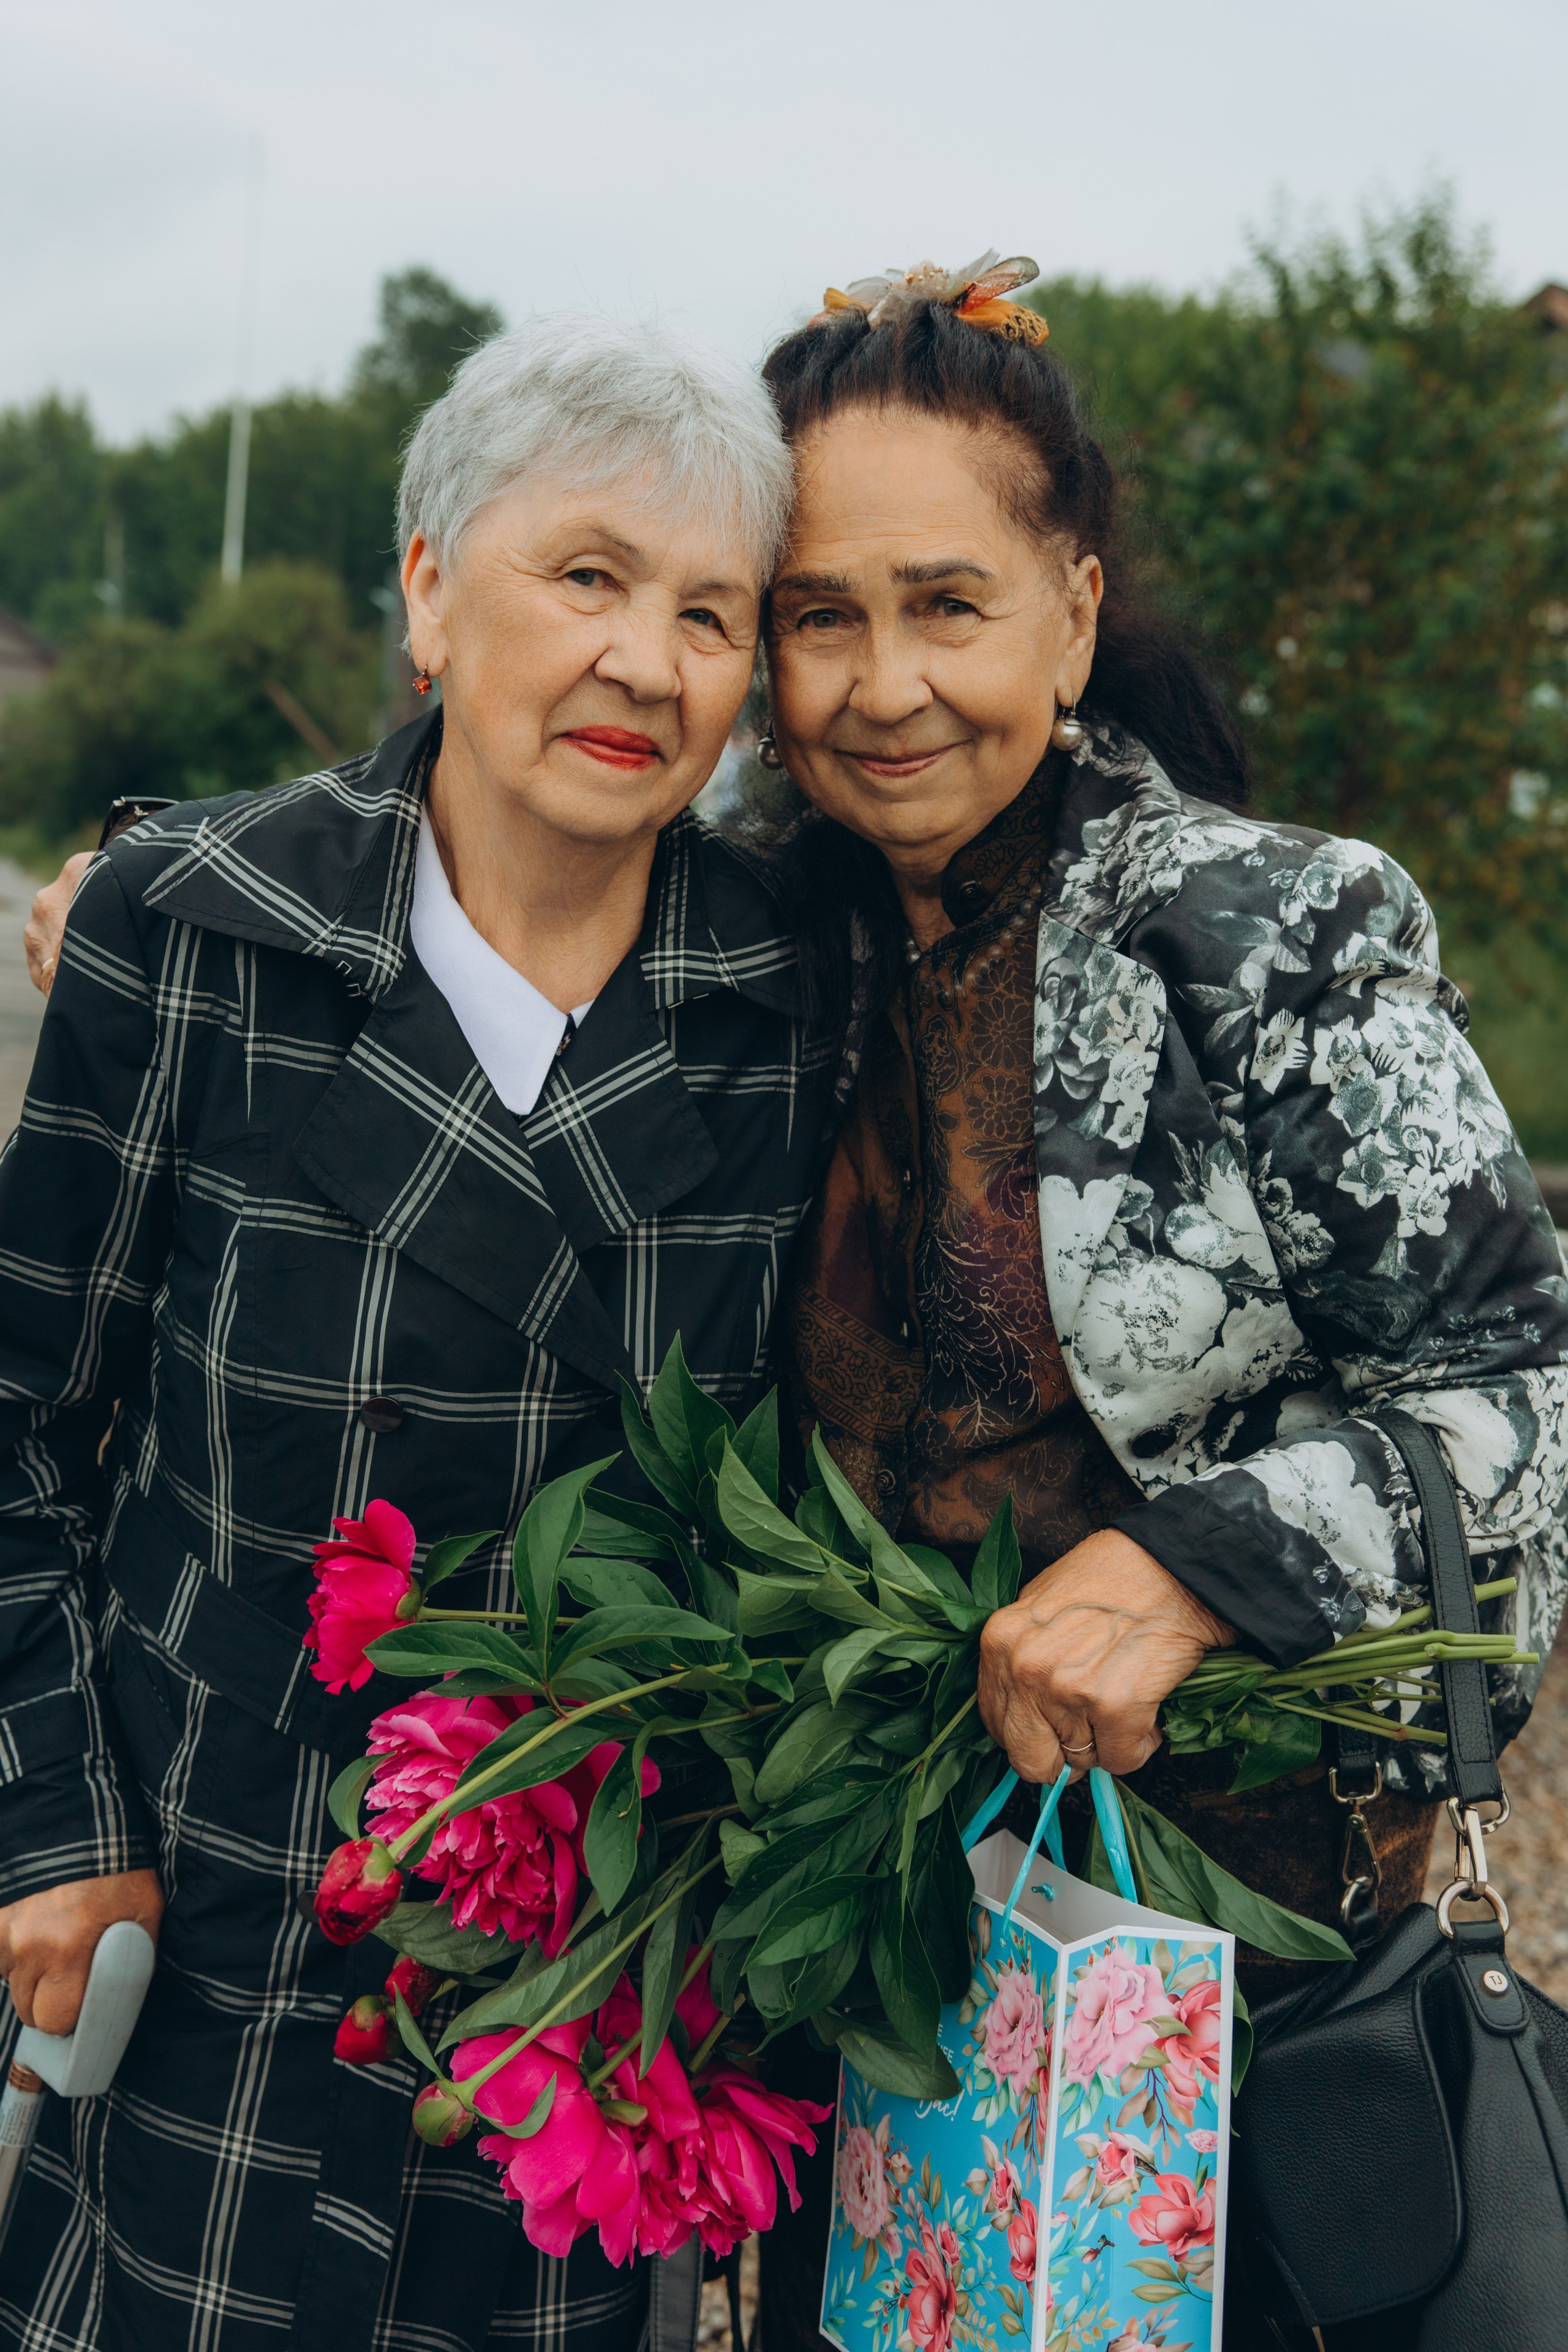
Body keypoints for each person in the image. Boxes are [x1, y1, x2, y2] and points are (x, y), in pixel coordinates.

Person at [741, 258, 1568, 2350]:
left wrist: (1195, 1568)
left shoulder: (1269, 932)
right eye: (820, 614)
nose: (883, 682)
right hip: (888, 1951)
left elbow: (1517, 1398)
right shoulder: (753, 954)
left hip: (1254, 1973)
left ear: (1076, 610)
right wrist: (147, 878)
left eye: (949, 603)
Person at [0, 314, 828, 2352]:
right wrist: (56, 1822)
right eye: (590, 577)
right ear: (431, 589)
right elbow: (25, 1422)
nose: (649, 660)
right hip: (204, 1947)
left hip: (577, 1993)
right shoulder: (195, 928)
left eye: (711, 611)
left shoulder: (802, 999)